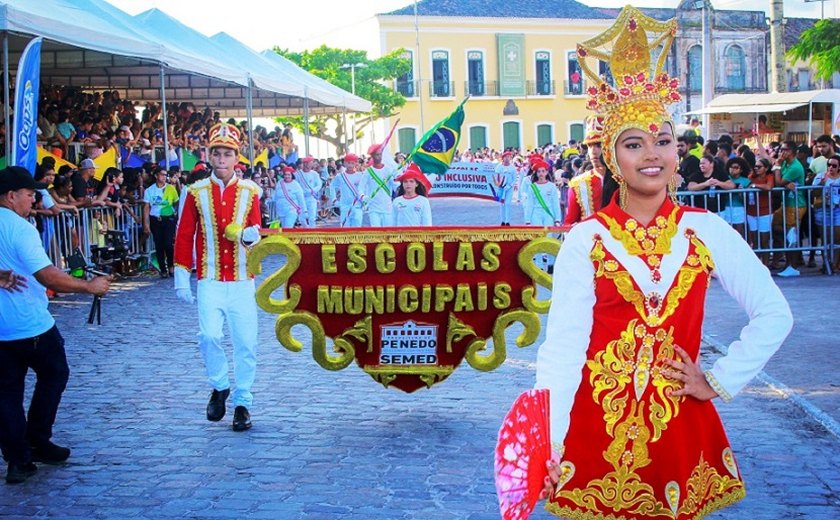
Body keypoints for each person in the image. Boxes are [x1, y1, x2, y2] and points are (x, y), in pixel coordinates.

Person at [531, 8, 793, 519]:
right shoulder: (587, 239)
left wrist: (717, 380)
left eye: (663, 141)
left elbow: (774, 313)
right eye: (634, 144)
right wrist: (550, 440)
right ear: (612, 159)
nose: (652, 154)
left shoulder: (706, 230)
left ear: (678, 151)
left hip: (679, 427)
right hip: (594, 434)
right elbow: (562, 348)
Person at [0, 166, 111, 485]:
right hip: (30, 322)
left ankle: (18, 458)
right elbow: (46, 275)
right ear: (11, 196)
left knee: (7, 391)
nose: (33, 199)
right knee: (54, 373)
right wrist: (89, 286)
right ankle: (35, 439)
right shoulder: (21, 229)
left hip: (3, 326)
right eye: (29, 194)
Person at [173, 123, 262, 432]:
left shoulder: (251, 191)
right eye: (217, 153)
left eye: (228, 154)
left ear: (237, 158)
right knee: (209, 336)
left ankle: (243, 403)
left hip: (241, 278)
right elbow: (185, 234)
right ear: (209, 156)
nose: (222, 159)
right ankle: (220, 384)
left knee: (245, 342)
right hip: (209, 277)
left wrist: (250, 236)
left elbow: (256, 233)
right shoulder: (195, 191)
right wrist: (181, 275)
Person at [771, 141, 807, 277]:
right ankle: (786, 260)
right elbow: (781, 182)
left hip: (796, 204)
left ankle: (791, 265)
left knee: (791, 235)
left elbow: (779, 182)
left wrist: (778, 167)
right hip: (786, 203)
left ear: (791, 151)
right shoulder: (786, 163)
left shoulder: (795, 167)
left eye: (783, 149)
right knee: (776, 225)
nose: (780, 152)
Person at [564, 115, 605, 226]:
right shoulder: (578, 184)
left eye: (598, 145)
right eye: (589, 146)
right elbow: (569, 223)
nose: (593, 151)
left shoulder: (627, 181)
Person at [143, 166, 179, 278]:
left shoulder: (171, 188)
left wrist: (174, 213)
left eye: (165, 175)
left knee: (168, 244)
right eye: (162, 174)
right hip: (155, 220)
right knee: (159, 245)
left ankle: (171, 266)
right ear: (156, 176)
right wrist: (146, 224)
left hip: (168, 219)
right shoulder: (149, 190)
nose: (164, 177)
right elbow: (146, 207)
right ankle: (163, 269)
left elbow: (176, 202)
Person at [745, 158, 776, 266]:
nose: (756, 168)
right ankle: (757, 265)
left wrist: (755, 186)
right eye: (755, 166)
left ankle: (766, 265)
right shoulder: (751, 177)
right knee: (755, 240)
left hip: (765, 212)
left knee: (764, 240)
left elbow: (768, 187)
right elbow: (745, 186)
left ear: (766, 168)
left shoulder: (769, 176)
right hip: (752, 212)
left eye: (759, 167)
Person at [812, 155, 840, 271]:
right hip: (822, 210)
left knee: (837, 239)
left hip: (838, 210)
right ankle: (826, 264)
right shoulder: (820, 176)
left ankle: (835, 264)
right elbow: (813, 193)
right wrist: (822, 183)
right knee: (825, 239)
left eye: (834, 165)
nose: (831, 168)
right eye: (829, 165)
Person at [358, 143, 397, 227]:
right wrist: (363, 197)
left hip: (387, 207)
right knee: (376, 233)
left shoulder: (389, 170)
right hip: (373, 208)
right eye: (376, 155)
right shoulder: (368, 172)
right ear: (372, 156)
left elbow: (396, 187)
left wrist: (397, 178)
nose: (379, 157)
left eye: (380, 154)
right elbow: (360, 188)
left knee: (388, 233)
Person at [330, 154, 365, 227]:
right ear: (345, 163)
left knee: (357, 229)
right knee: (345, 229)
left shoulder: (360, 176)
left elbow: (365, 188)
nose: (350, 165)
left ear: (356, 163)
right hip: (344, 206)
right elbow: (332, 186)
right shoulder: (340, 176)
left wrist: (365, 199)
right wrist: (334, 199)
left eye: (352, 163)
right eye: (348, 163)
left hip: (357, 206)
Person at [524, 159, 561, 227]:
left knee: (548, 235)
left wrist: (557, 219)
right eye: (539, 171)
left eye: (543, 171)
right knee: (538, 235)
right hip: (536, 214)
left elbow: (555, 202)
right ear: (536, 173)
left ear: (546, 172)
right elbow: (529, 204)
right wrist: (527, 220)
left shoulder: (552, 186)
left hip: (548, 213)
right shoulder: (532, 187)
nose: (541, 173)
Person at [296, 156, 322, 227]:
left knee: (312, 217)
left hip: (311, 197)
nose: (312, 164)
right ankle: (306, 229)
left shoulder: (314, 174)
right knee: (302, 218)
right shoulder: (297, 174)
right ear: (305, 164)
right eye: (311, 163)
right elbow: (296, 186)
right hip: (301, 198)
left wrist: (313, 190)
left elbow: (319, 184)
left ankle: (312, 232)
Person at [493, 151, 517, 226]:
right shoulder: (499, 167)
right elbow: (496, 177)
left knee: (507, 204)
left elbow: (514, 178)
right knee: (502, 204)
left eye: (509, 157)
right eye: (506, 157)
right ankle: (502, 220)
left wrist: (510, 185)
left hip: (509, 188)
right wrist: (498, 185)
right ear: (503, 158)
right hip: (501, 188)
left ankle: (507, 221)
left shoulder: (512, 168)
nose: (507, 159)